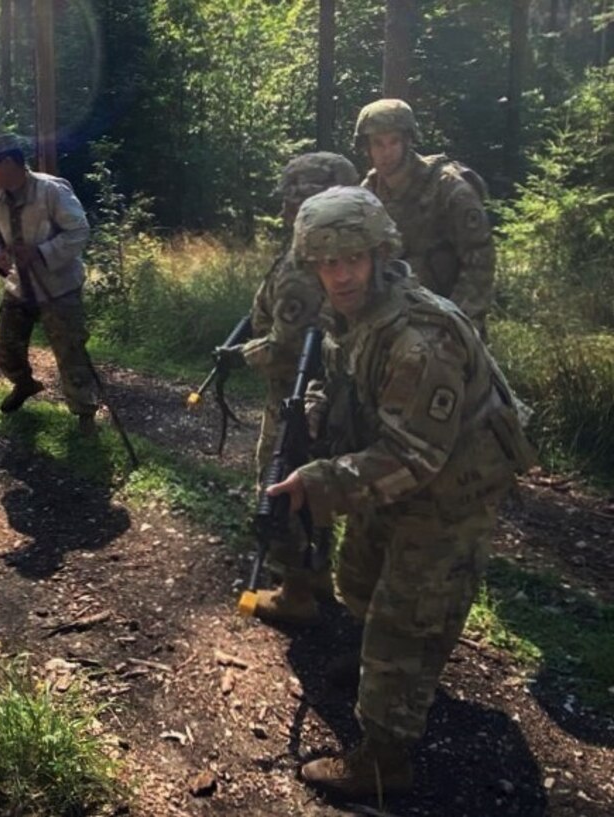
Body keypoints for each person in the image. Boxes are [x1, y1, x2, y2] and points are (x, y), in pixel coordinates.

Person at [266, 187, 533, 797]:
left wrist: (317, 482)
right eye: (326, 263)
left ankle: (384, 761)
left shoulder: (418, 336)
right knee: (358, 577)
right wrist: (311, 412)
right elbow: (348, 387)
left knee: (403, 622)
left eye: (351, 260)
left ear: (379, 255)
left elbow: (416, 457)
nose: (339, 275)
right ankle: (375, 669)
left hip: (449, 492)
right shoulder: (356, 313)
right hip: (395, 470)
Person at [214, 152, 359, 625]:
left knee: (279, 485)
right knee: (313, 484)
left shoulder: (306, 264)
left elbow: (286, 345)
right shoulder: (348, 257)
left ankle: (295, 590)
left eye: (295, 200)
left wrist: (241, 355)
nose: (285, 210)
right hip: (335, 393)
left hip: (297, 395)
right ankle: (318, 575)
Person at [0, 133, 99, 435]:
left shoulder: (51, 191)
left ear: (8, 163)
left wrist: (42, 252)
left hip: (58, 285)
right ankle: (24, 384)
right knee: (6, 344)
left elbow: (79, 232)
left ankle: (85, 413)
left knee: (70, 350)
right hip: (20, 286)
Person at [355, 98, 494, 335]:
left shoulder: (447, 188)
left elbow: (480, 259)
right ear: (367, 147)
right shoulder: (367, 195)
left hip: (448, 320)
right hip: (391, 324)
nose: (386, 152)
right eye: (378, 144)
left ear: (407, 141)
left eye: (393, 142)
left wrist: (458, 322)